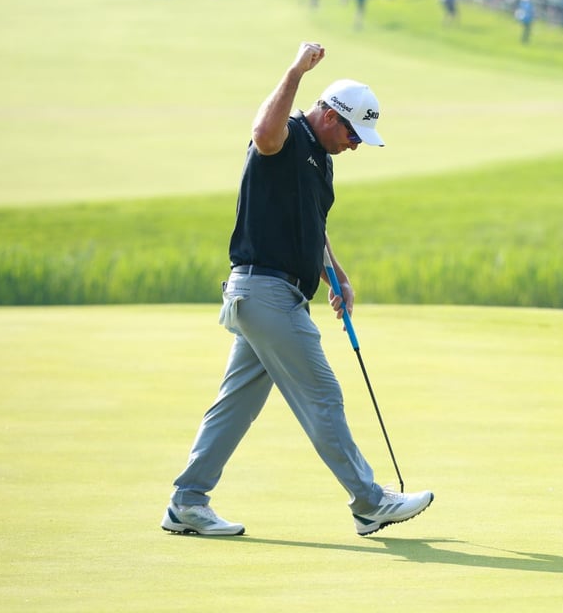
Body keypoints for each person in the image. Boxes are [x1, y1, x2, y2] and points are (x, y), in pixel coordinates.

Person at [162, 42, 434, 537]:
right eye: (354, 133)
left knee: (235, 404)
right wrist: (294, 72)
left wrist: (337, 277)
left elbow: (312, 227)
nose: (356, 144)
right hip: (266, 292)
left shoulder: (322, 160)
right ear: (330, 116)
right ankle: (369, 501)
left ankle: (187, 501)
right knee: (323, 396)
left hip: (265, 296)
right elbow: (263, 133)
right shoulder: (287, 137)